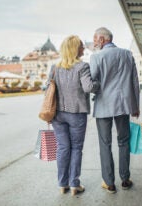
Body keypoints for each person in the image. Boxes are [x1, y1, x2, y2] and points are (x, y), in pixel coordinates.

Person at [89, 27, 140, 193]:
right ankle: (125, 179)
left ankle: (109, 183)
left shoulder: (96, 57)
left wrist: (97, 87)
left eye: (95, 39)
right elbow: (134, 82)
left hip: (103, 105)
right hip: (123, 106)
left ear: (103, 39)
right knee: (123, 141)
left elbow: (93, 84)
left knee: (105, 144)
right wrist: (135, 106)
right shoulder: (127, 54)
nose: (94, 42)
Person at [47, 35, 100, 196]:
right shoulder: (83, 66)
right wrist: (98, 82)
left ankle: (62, 184)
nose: (84, 48)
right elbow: (88, 87)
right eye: (82, 46)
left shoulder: (55, 68)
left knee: (63, 148)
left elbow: (48, 89)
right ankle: (74, 184)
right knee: (76, 148)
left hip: (57, 114)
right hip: (76, 113)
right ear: (75, 49)